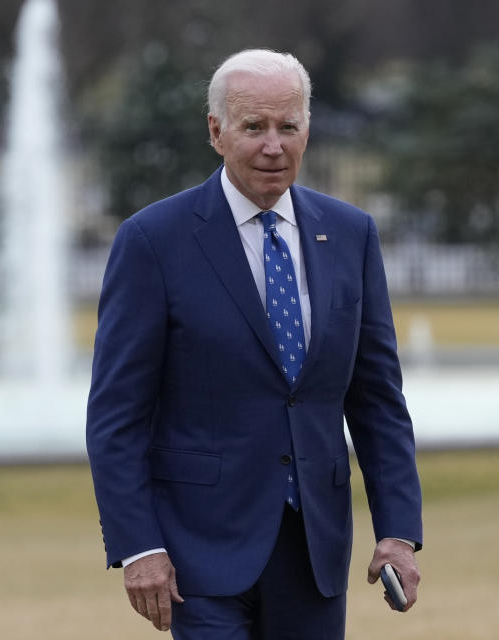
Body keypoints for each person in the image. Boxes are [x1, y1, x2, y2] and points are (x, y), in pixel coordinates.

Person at [86, 49, 422, 639]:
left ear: (307, 130)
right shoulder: (152, 241)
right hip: (197, 554)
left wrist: (397, 532)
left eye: (288, 127)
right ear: (216, 132)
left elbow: (377, 401)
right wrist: (138, 545)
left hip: (315, 549)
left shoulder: (351, 235)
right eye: (253, 127)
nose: (274, 145)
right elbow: (117, 415)